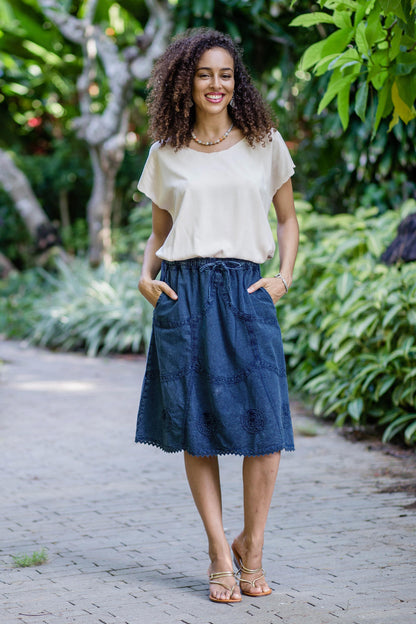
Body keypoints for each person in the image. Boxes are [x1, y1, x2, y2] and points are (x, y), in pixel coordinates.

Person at [135, 28, 299, 604]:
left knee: (267, 429)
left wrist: (284, 275)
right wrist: (144, 276)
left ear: (237, 81)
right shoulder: (165, 152)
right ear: (186, 80)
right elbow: (158, 233)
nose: (215, 83)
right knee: (196, 427)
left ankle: (251, 547)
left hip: (247, 288)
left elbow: (287, 221)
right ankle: (217, 554)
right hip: (184, 292)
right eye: (204, 73)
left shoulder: (263, 142)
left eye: (225, 73)